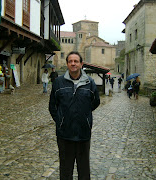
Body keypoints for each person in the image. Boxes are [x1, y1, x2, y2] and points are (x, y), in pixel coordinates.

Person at [49, 51, 100, 179]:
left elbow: (95, 102)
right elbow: (52, 106)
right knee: (65, 171)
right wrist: (61, 120)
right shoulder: (58, 83)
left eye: (76, 61)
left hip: (83, 133)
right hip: (64, 135)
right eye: (70, 61)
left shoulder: (90, 83)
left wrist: (84, 117)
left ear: (81, 64)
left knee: (84, 171)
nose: (73, 64)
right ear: (67, 64)